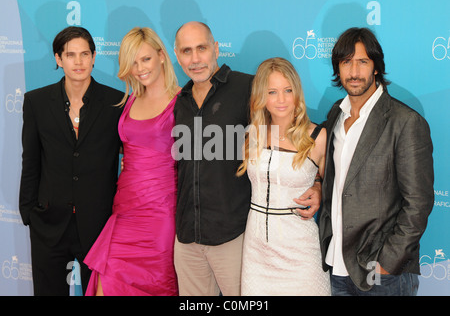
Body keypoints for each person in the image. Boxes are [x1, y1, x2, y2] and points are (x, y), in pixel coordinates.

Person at [172, 21, 321, 296]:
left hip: (233, 236)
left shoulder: (247, 88)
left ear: (216, 49)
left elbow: (298, 137)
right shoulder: (178, 101)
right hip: (187, 238)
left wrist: (318, 184)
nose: (195, 59)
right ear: (177, 55)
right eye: (186, 51)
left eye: (202, 48)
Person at [319, 27, 434, 296]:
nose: (354, 71)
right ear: (338, 68)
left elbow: (418, 203)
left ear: (376, 68)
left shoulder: (405, 122)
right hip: (336, 266)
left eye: (362, 61)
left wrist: (387, 262)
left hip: (382, 273)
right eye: (346, 62)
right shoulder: (336, 113)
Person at [19, 26, 124, 296]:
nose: (78, 62)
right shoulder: (37, 102)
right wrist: (30, 212)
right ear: (58, 59)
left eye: (84, 54)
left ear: (94, 56)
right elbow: (30, 161)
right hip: (49, 223)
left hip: (99, 224)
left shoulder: (117, 102)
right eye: (70, 55)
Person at [83, 27, 180, 296]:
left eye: (145, 59)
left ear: (161, 56)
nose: (139, 69)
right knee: (107, 279)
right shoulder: (129, 101)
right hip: (125, 211)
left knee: (154, 285)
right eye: (133, 62)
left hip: (161, 215)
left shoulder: (182, 102)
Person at [237, 57, 330, 296]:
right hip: (256, 253)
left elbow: (337, 185)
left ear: (297, 92)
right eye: (272, 92)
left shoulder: (318, 137)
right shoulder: (251, 135)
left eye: (288, 90)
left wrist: (318, 186)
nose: (281, 99)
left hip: (300, 253)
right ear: (261, 96)